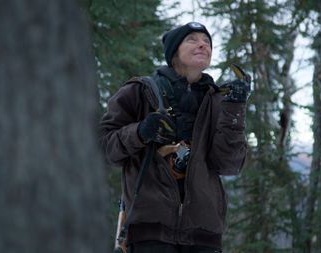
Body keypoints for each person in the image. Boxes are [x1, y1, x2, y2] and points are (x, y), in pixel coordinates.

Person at [99, 21, 249, 253]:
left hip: (204, 237)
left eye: (207, 42)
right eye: (192, 40)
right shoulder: (140, 91)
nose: (202, 45)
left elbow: (229, 164)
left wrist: (235, 109)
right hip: (149, 233)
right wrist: (140, 131)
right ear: (173, 52)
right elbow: (103, 149)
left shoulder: (219, 101)